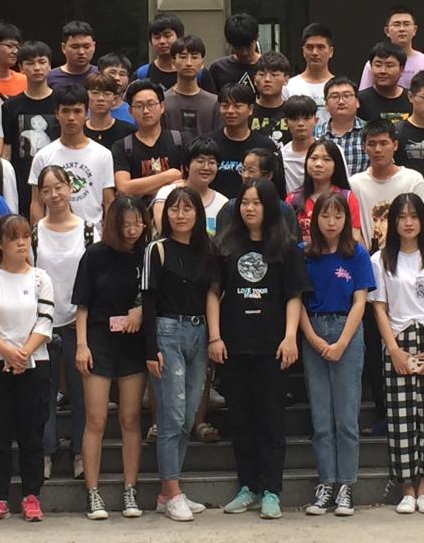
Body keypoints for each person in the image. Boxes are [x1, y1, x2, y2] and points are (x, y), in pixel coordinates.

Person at [209, 179, 309, 520]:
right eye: (244, 202)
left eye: (256, 202)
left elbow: (293, 295)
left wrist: (290, 337)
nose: (249, 208)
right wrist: (215, 337)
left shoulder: (286, 247)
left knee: (270, 420)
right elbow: (213, 293)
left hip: (273, 346)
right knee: (241, 419)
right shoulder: (225, 245)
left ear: (269, 206)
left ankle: (271, 490)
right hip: (234, 345)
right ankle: (248, 486)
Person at [369, 193, 424, 516]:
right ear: (393, 222)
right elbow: (379, 308)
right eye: (402, 217)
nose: (408, 223)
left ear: (423, 221)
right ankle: (406, 489)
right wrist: (393, 350)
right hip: (398, 340)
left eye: (414, 216)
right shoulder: (380, 259)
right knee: (401, 419)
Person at [0, 215, 55, 524]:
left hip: (34, 363)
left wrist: (23, 353)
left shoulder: (40, 278)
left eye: (25, 237)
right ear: (0, 243)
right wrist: (7, 351)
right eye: (13, 238)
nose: (21, 243)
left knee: (32, 434)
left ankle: (32, 496)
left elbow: (45, 322)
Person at [142, 185, 217, 522]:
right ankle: (172, 491)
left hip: (199, 333)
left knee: (188, 416)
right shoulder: (156, 249)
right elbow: (148, 301)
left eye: (188, 208)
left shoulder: (207, 249)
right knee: (171, 416)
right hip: (167, 331)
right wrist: (151, 349)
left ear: (198, 213)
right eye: (174, 209)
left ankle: (167, 493)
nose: (181, 215)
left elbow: (214, 293)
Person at [73, 196, 150, 520]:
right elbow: (82, 305)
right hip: (99, 340)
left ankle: (130, 489)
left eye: (138, 223)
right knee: (96, 419)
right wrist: (82, 345)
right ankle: (93, 492)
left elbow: (156, 296)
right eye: (126, 224)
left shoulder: (147, 255)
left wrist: (140, 310)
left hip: (133, 343)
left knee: (131, 419)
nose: (133, 230)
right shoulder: (95, 255)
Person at [299, 191, 374, 518]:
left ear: (347, 219)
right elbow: (297, 301)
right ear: (315, 219)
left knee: (346, 416)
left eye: (338, 216)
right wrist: (312, 338)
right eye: (325, 216)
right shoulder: (304, 253)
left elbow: (360, 301)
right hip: (313, 329)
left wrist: (343, 342)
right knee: (321, 417)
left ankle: (346, 484)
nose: (331, 222)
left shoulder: (356, 253)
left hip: (347, 330)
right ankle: (326, 483)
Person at [33, 165, 91, 483]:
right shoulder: (33, 233)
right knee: (44, 394)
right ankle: (46, 451)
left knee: (82, 394)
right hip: (42, 325)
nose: (54, 194)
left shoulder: (88, 230)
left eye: (59, 187)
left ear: (71, 187)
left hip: (78, 323)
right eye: (46, 189)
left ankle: (81, 451)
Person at [29, 85, 115, 231]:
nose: (71, 118)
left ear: (86, 113)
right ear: (56, 114)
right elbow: (37, 203)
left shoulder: (103, 155)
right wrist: (38, 236)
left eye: (77, 111)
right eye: (65, 111)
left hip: (93, 236)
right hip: (53, 235)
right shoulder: (43, 156)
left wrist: (108, 239)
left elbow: (108, 202)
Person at [349, 120, 424, 253]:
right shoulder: (355, 184)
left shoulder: (413, 180)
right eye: (371, 144)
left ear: (395, 145)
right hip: (369, 256)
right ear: (364, 147)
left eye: (383, 143)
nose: (377, 150)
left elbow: (423, 223)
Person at [0, 41, 58, 214]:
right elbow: (7, 149)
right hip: (22, 181)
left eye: (42, 62)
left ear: (49, 65)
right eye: (30, 63)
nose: (37, 68)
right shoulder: (11, 106)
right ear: (20, 68)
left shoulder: (61, 103)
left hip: (57, 179)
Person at [112, 80, 187, 204]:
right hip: (137, 213)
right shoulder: (122, 147)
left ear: (162, 107)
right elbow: (124, 188)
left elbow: (187, 183)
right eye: (139, 106)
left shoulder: (179, 140)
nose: (146, 111)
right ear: (130, 111)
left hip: (175, 209)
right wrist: (169, 175)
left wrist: (140, 189)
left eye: (151, 104)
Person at [286, 138, 363, 244]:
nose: (318, 164)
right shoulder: (293, 199)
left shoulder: (348, 198)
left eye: (326, 159)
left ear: (336, 164)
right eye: (313, 158)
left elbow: (355, 237)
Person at [210, 83, 278, 200]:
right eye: (225, 106)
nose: (230, 111)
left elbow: (274, 186)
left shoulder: (265, 146)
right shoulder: (209, 143)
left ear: (250, 109)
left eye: (237, 106)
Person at [151, 135, 229, 235]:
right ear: (187, 166)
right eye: (200, 161)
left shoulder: (223, 203)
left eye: (212, 162)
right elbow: (164, 232)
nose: (206, 167)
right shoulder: (166, 194)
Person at [358, 6, 424, 94]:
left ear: (414, 30)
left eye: (406, 24)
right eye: (396, 24)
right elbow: (364, 96)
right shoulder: (376, 64)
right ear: (387, 31)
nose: (402, 29)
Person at [162, 36, 220, 137]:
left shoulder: (214, 102)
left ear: (202, 63)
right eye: (183, 57)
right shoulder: (162, 101)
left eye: (194, 57)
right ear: (173, 63)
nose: (189, 63)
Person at [315, 77, 369, 176]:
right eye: (335, 96)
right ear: (326, 105)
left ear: (357, 102)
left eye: (347, 96)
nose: (341, 101)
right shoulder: (315, 134)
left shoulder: (370, 132)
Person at [286, 23, 335, 121]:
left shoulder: (340, 87)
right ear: (303, 51)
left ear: (331, 51)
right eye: (309, 47)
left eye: (321, 47)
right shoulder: (289, 86)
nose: (315, 53)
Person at [357, 42, 412, 125]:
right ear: (371, 67)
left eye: (389, 66)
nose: (383, 71)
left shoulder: (412, 99)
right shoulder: (359, 100)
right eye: (378, 65)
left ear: (402, 69)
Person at [207, 12, 261, 91]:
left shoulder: (269, 66)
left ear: (257, 37)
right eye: (238, 47)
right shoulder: (218, 68)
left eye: (248, 46)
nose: (244, 52)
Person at [133, 12, 187, 90]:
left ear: (179, 37)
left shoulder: (195, 72)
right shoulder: (142, 74)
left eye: (167, 36)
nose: (162, 41)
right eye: (157, 37)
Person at [84, 72, 135, 149]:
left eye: (107, 94)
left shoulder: (128, 131)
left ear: (114, 99)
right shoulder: (78, 131)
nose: (101, 98)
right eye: (95, 93)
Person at [250, 51, 290, 146]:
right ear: (254, 79)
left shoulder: (293, 113)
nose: (267, 79)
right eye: (262, 74)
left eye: (274, 74)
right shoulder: (246, 112)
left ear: (286, 79)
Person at [280, 94, 318, 194]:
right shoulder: (280, 157)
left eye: (306, 118)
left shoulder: (331, 151)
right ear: (286, 122)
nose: (301, 123)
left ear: (316, 120)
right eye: (294, 119)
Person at [47, 20, 98, 90]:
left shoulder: (102, 76)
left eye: (86, 47)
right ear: (63, 48)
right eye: (75, 47)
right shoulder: (50, 78)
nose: (81, 52)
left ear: (94, 46)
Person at [97, 52, 134, 123]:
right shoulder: (86, 110)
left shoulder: (133, 112)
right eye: (112, 72)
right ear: (100, 74)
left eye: (122, 74)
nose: (117, 78)